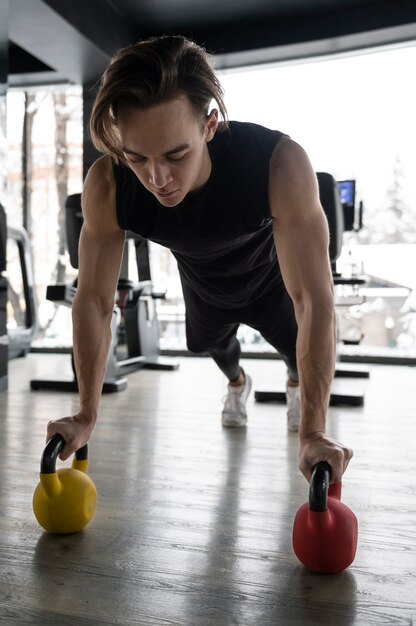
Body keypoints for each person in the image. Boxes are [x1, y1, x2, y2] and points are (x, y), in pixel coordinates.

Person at [47, 35, 352, 484]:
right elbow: (93, 299)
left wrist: (314, 431)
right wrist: (86, 412)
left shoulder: (277, 164)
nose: (156, 178)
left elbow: (313, 299)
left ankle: (294, 384)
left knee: (294, 352)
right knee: (214, 348)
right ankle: (237, 386)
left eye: (176, 154)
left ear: (209, 125)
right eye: (136, 157)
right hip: (204, 286)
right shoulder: (109, 185)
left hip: (275, 282)